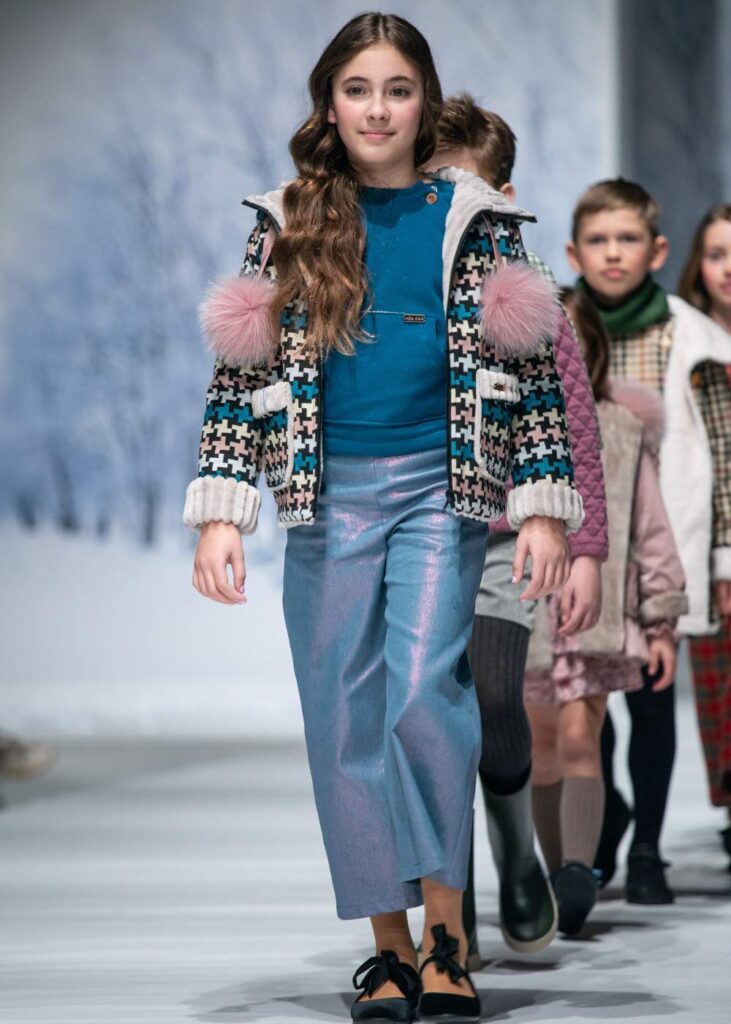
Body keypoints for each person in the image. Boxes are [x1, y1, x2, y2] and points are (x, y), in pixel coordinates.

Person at [183, 14, 583, 1023]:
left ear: (422, 101)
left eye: (396, 89)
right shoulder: (286, 222)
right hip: (324, 500)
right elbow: (243, 370)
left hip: (437, 490)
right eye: (357, 89)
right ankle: (389, 947)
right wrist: (221, 510)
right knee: (343, 717)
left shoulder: (476, 219)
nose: (376, 107)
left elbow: (531, 371)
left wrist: (541, 507)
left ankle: (449, 935)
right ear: (330, 103)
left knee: (420, 698)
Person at [422, 95, 607, 963]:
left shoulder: (530, 300)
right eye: (434, 185)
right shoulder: (403, 286)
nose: (450, 204)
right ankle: (446, 904)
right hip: (418, 525)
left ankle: (511, 851)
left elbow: (576, 434)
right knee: (427, 714)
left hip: (505, 534)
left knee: (495, 697)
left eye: (466, 187)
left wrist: (586, 548)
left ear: (504, 192)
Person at [566, 179, 731, 902]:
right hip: (588, 541)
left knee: (653, 702)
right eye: (598, 240)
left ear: (657, 251)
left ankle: (648, 853)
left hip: (664, 538)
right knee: (587, 699)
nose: (611, 254)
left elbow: (722, 460)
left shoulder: (694, 339)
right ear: (574, 250)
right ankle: (604, 831)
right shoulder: (559, 327)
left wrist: (720, 557)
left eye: (626, 239)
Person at [524, 287, 687, 935]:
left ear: (589, 353)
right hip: (530, 619)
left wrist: (660, 621)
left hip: (595, 617)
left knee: (579, 738)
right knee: (539, 747)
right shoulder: (514, 439)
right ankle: (550, 876)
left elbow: (651, 530)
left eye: (571, 347)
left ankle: (576, 869)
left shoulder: (619, 428)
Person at [677, 204, 731, 869]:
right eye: (717, 254)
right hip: (710, 533)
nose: (728, 270)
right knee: (719, 680)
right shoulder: (687, 340)